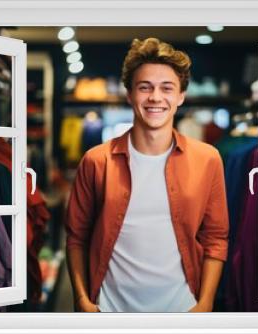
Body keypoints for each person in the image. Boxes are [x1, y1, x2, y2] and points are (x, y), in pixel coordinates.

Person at [65, 37, 229, 312]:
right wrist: (82, 300)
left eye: (167, 88)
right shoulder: (96, 161)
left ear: (180, 96)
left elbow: (215, 238)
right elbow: (76, 238)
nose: (155, 97)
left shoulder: (208, 159)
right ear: (129, 94)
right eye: (145, 87)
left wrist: (205, 304)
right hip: (109, 311)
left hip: (182, 311)